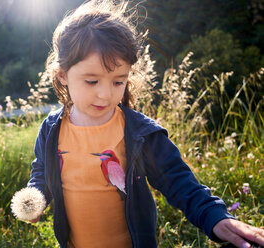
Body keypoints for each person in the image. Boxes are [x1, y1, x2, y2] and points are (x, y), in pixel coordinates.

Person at [26, 0, 264, 247]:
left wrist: (216, 217)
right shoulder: (52, 129)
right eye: (92, 81)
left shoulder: (140, 132)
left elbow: (179, 181)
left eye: (118, 82)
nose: (105, 95)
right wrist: (36, 197)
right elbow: (42, 171)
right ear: (63, 74)